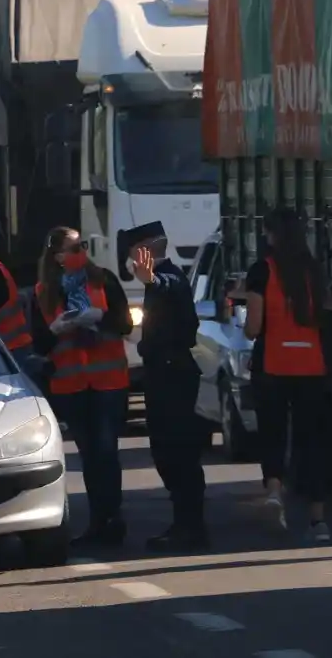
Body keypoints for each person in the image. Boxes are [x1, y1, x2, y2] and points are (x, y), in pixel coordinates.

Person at [31, 227, 133, 546]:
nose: (80, 252)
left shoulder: (103, 279)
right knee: (90, 455)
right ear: (57, 256)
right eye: (72, 248)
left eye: (82, 246)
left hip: (107, 382)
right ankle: (99, 520)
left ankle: (113, 518)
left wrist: (99, 317)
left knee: (106, 450)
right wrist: (58, 328)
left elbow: (125, 323)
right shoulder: (43, 291)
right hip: (72, 385)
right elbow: (40, 343)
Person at [242, 208, 332, 543]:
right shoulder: (313, 270)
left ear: (270, 234)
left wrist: (248, 326)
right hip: (311, 365)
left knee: (273, 433)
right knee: (313, 440)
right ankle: (318, 519)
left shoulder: (261, 271)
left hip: (273, 365)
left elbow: (253, 327)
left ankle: (274, 493)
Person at [130, 236, 207, 552]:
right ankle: (185, 524)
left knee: (177, 453)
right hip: (165, 373)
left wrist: (151, 279)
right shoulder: (165, 278)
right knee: (168, 452)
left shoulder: (170, 277)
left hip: (172, 375)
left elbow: (166, 285)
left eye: (135, 250)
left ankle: (190, 527)